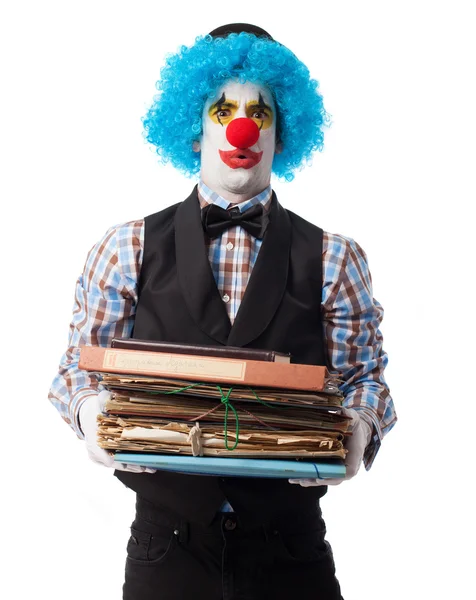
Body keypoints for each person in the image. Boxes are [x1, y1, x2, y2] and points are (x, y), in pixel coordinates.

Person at [49, 23, 397, 600]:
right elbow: (77, 371)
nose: (243, 127)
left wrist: (358, 430)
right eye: (224, 109)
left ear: (283, 133)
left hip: (292, 549)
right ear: (193, 127)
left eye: (260, 113)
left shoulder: (335, 257)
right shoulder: (126, 247)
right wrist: (92, 415)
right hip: (167, 548)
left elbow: (366, 379)